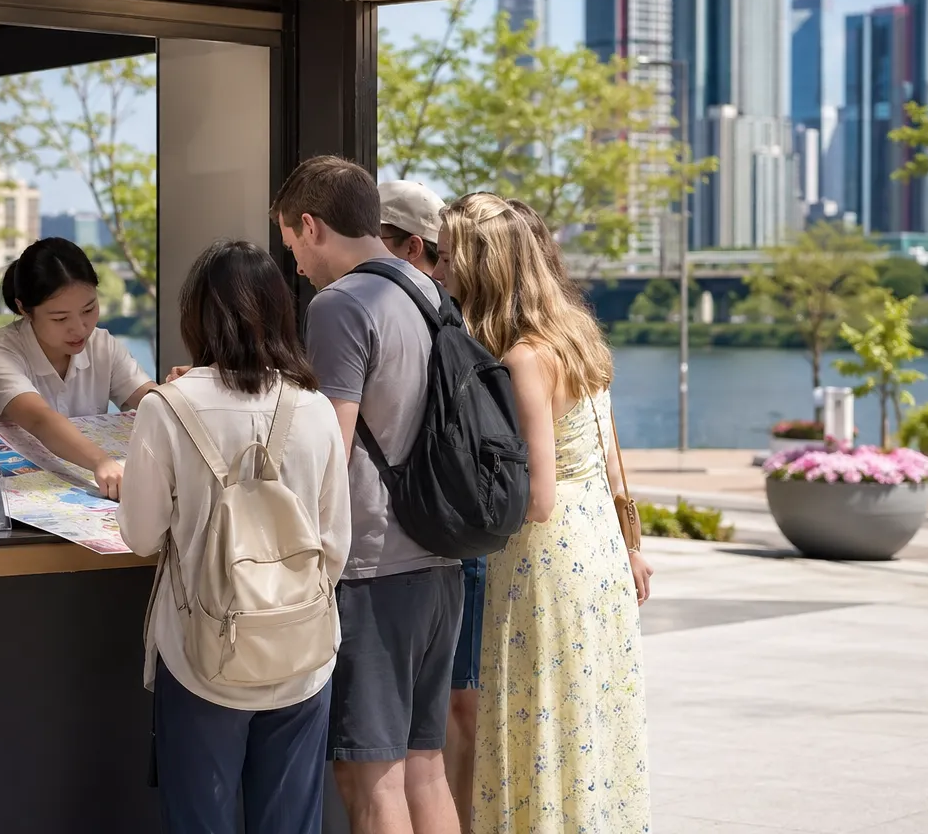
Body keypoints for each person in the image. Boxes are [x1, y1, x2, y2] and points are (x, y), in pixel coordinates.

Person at [117, 240, 351, 834]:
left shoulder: (167, 409)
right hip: (302, 652)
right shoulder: (316, 407)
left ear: (196, 316)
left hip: (201, 653)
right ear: (280, 312)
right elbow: (336, 543)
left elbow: (142, 536)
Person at [441, 192, 652, 834]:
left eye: (451, 257)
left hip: (546, 560)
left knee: (539, 716)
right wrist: (634, 545)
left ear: (485, 266)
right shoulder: (580, 337)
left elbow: (536, 495)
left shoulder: (523, 359)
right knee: (590, 716)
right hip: (601, 551)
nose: (443, 269)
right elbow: (612, 462)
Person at [273, 157, 462, 834]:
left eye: (291, 244)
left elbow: (332, 444)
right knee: (425, 768)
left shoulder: (341, 304)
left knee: (368, 778)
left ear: (310, 225)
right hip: (439, 561)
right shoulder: (431, 293)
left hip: (375, 569)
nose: (293, 262)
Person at [378, 180, 480, 834]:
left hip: (440, 545)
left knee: (444, 728)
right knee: (439, 731)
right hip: (443, 542)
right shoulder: (442, 320)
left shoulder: (445, 325)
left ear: (413, 247)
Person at [0, 237, 157, 499]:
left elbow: (149, 401)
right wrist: (101, 462)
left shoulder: (102, 345)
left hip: (89, 495)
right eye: (60, 318)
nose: (80, 328)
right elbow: (39, 419)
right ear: (24, 308)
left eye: (89, 309)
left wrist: (179, 394)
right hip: (19, 499)